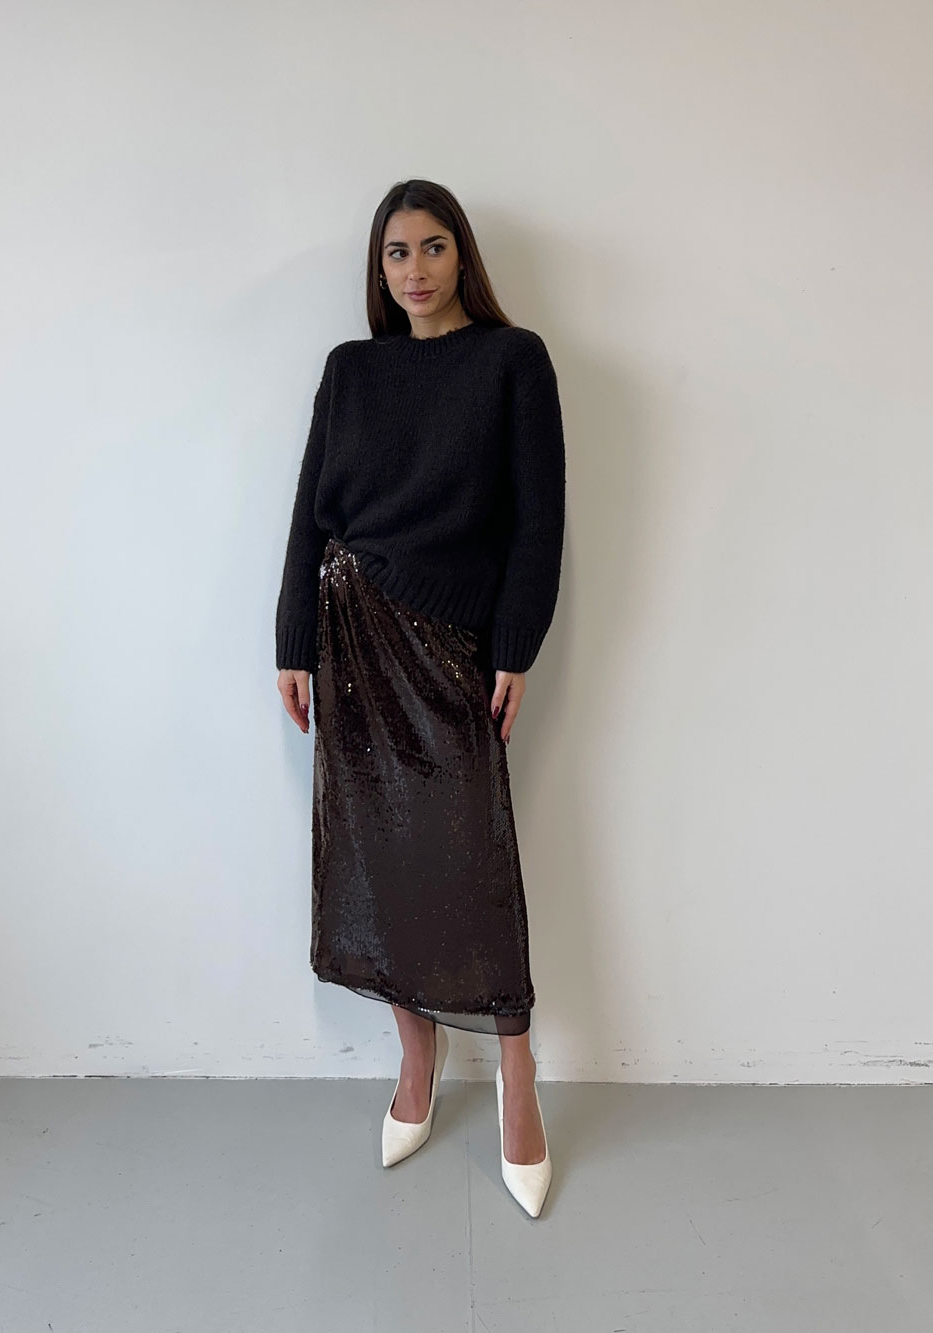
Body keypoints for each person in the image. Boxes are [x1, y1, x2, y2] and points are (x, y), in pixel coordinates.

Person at [275, 179, 565, 1217]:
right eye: (395, 252)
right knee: (378, 853)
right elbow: (309, 514)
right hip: (347, 634)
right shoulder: (350, 370)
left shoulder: (512, 360)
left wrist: (515, 646)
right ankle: (416, 1056)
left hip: (449, 643)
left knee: (471, 859)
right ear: (379, 268)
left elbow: (538, 518)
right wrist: (293, 642)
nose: (414, 269)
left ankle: (519, 1073)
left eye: (432, 246)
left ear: (462, 255)